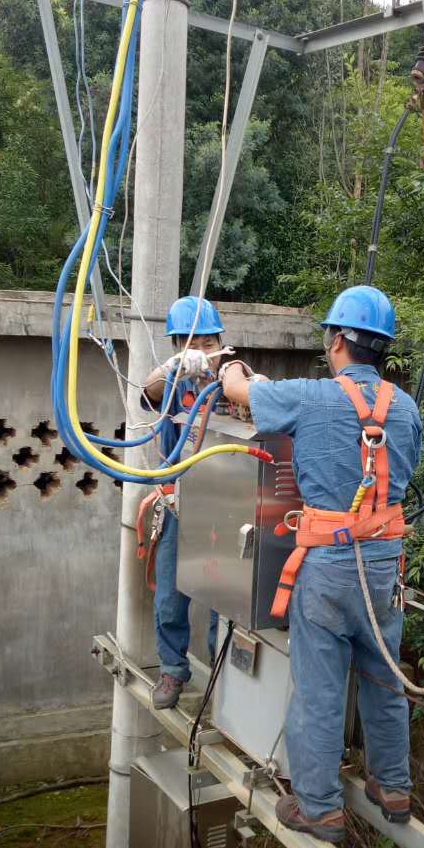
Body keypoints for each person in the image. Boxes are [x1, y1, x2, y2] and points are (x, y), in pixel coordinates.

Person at [219, 285, 423, 845]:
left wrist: (229, 369)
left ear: (336, 341)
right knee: (383, 674)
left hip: (329, 566)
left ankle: (319, 806)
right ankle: (394, 787)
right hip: (383, 567)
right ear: (383, 349)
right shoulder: (405, 410)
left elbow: (238, 391)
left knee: (319, 686)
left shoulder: (309, 398)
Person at [142, 296, 227, 710]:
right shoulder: (173, 384)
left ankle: (225, 677)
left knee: (224, 596)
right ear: (177, 343)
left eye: (207, 342)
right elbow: (147, 390)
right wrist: (175, 367)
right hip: (178, 501)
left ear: (220, 340)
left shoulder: (231, 379)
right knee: (171, 595)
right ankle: (172, 670)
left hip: (226, 508)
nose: (200, 350)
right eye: (190, 343)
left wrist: (224, 370)